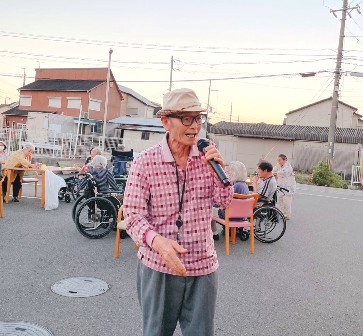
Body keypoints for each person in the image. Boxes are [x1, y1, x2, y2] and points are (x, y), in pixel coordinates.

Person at [123, 88, 233, 336]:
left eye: (198, 118)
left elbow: (224, 201)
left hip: (202, 266)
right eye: (186, 118)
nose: (194, 126)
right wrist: (157, 242)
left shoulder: (208, 158)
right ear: (165, 122)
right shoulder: (145, 162)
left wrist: (222, 173)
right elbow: (132, 215)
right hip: (158, 266)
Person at [212, 160, 250, 240]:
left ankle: (214, 233)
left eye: (231, 170)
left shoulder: (235, 186)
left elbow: (224, 202)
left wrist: (214, 204)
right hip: (242, 216)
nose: (229, 172)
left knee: (211, 210)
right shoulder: (244, 186)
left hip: (230, 216)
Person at [272, 154, 296, 220]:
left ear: (284, 160)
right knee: (279, 200)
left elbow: (283, 172)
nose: (278, 161)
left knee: (286, 201)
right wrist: (274, 173)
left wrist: (275, 173)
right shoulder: (278, 165)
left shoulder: (288, 166)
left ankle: (287, 215)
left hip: (289, 186)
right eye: (277, 160)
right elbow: (273, 171)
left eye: (279, 160)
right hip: (281, 185)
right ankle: (281, 213)